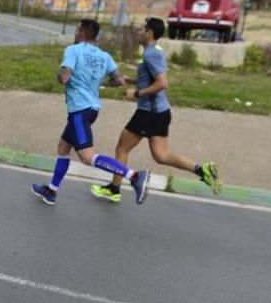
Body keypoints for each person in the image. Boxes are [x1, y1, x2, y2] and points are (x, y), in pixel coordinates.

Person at [91, 17, 222, 203]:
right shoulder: (155, 51)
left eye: (142, 29)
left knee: (122, 148)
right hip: (160, 112)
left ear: (149, 33)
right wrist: (132, 81)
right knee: (161, 156)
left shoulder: (150, 54)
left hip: (149, 113)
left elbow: (162, 83)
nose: (139, 32)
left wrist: (137, 93)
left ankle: (114, 188)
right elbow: (154, 78)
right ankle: (202, 169)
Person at [31, 19, 150, 206]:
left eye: (77, 29)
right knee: (63, 147)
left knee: (87, 157)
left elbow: (64, 77)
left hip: (79, 110)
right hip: (91, 109)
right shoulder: (105, 56)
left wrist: (61, 75)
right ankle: (51, 190)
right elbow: (119, 80)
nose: (75, 32)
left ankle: (134, 176)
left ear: (82, 33)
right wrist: (101, 83)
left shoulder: (73, 50)